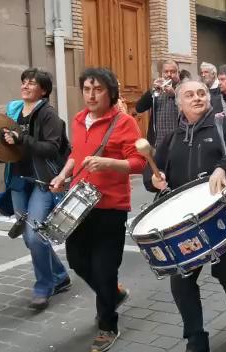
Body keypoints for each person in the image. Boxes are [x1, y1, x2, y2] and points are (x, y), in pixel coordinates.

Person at [143, 80, 226, 352]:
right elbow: (151, 172)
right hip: (185, 226)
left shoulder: (224, 126)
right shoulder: (171, 138)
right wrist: (153, 180)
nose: (197, 98)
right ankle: (195, 338)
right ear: (179, 102)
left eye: (202, 93)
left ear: (209, 97)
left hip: (220, 218)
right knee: (181, 281)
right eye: (189, 95)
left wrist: (223, 168)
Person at [50, 68, 147, 352]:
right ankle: (113, 294)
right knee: (77, 261)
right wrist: (63, 175)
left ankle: (108, 325)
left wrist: (108, 164)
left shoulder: (124, 123)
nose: (91, 95)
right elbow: (75, 154)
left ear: (110, 92)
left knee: (105, 270)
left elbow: (139, 163)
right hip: (78, 205)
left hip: (110, 207)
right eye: (87, 89)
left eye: (98, 89)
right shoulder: (79, 120)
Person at [2, 68, 71, 311]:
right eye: (24, 82)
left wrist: (21, 139)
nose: (26, 86)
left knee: (34, 235)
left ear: (43, 90)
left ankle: (44, 285)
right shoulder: (14, 110)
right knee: (29, 236)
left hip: (42, 181)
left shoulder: (48, 114)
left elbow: (52, 148)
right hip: (19, 180)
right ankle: (60, 275)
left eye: (31, 83)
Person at [136, 59, 181, 147]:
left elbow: (188, 112)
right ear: (161, 74)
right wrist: (152, 90)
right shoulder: (156, 90)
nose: (169, 75)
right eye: (166, 72)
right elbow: (139, 108)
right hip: (157, 142)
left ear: (178, 74)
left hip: (177, 142)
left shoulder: (184, 89)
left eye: (173, 72)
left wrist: (174, 95)